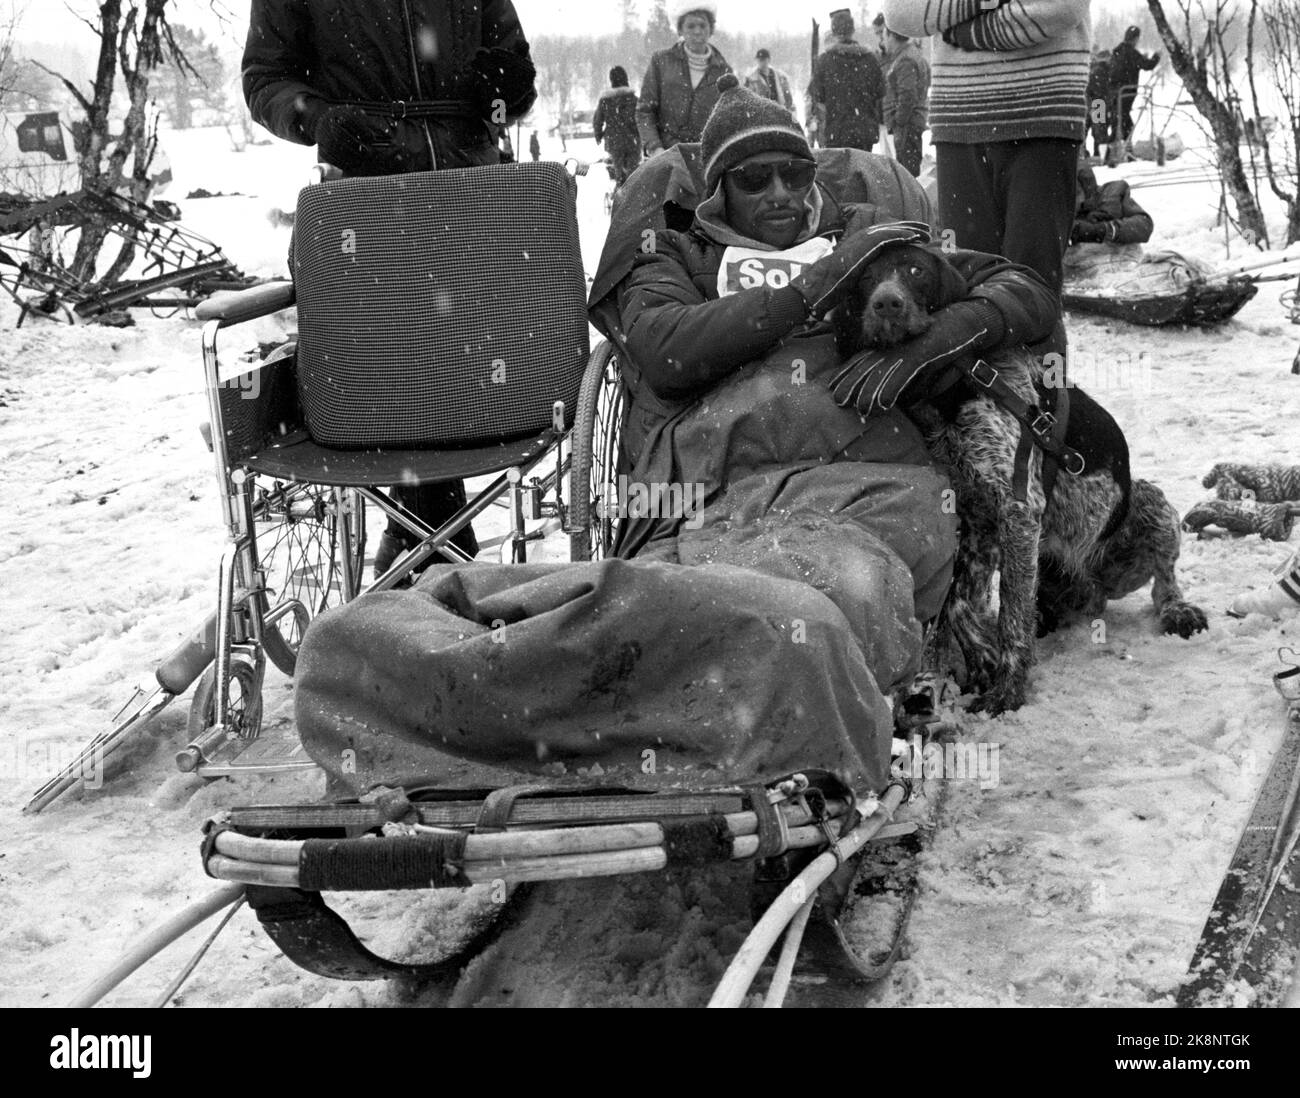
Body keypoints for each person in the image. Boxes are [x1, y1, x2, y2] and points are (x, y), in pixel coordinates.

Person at [294, 75, 1060, 797]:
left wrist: (933, 342)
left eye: (795, 174)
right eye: (754, 181)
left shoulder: (868, 237)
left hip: (862, 493)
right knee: (650, 611)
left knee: (814, 609)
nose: (783, 196)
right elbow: (665, 349)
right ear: (717, 192)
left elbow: (1022, 289)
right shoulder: (678, 254)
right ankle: (435, 665)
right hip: (703, 501)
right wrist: (811, 288)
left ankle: (541, 719)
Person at [243, 0, 537, 577]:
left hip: (470, 186)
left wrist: (508, 86)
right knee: (390, 364)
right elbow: (265, 80)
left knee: (466, 355)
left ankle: (425, 537)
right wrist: (318, 118)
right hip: (363, 189)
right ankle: (439, 541)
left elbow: (514, 73)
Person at [883, 0, 1091, 296]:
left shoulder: (906, 60)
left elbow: (1063, 7)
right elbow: (900, 12)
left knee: (1032, 284)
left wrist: (969, 33)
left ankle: (1038, 343)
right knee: (965, 279)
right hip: (958, 122)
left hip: (1042, 113)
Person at [637, 4, 732, 156]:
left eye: (702, 25)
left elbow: (728, 119)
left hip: (705, 159)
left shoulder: (724, 71)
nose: (697, 31)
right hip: (665, 156)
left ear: (711, 29)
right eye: (691, 26)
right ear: (680, 30)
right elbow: (645, 111)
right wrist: (655, 148)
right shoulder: (661, 62)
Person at [807, 9, 885, 153]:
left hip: (836, 133)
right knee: (863, 172)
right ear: (853, 30)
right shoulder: (870, 59)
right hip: (865, 133)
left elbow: (817, 96)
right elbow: (880, 91)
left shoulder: (825, 61)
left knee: (840, 174)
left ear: (833, 31)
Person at [882, 24, 929, 177]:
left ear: (891, 36)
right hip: (912, 123)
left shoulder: (905, 60)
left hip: (908, 126)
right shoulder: (910, 54)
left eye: (884, 36)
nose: (883, 42)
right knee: (908, 170)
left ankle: (912, 201)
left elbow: (908, 95)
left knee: (907, 174)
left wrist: (899, 121)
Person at [1070, 165, 1153, 245]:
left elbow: (1144, 225)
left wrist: (1103, 230)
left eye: (1075, 193)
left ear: (1085, 187)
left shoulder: (1111, 194)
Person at [1109, 26, 1161, 146]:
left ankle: (1103, 150)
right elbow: (1146, 65)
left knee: (1110, 123)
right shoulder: (1128, 53)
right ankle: (1105, 152)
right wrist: (1155, 57)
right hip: (1100, 100)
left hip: (1104, 98)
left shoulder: (1115, 55)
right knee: (1108, 125)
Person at [594, 66, 641, 188]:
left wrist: (598, 135)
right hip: (633, 141)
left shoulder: (605, 101)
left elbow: (597, 120)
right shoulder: (635, 100)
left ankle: (619, 192)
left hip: (614, 141)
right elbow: (643, 119)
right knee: (633, 173)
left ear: (612, 81)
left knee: (618, 171)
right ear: (626, 79)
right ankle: (633, 193)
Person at [745, 48, 795, 112]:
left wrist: (788, 111)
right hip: (761, 115)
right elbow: (748, 99)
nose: (760, 62)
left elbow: (788, 97)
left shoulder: (780, 76)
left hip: (779, 113)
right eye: (758, 60)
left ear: (768, 60)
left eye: (763, 59)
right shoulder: (751, 79)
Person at [1086, 48, 1113, 159]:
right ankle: (1101, 155)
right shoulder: (1102, 71)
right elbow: (1101, 90)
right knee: (1100, 131)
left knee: (1094, 130)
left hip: (1094, 102)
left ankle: (1094, 154)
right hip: (1098, 103)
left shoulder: (1094, 70)